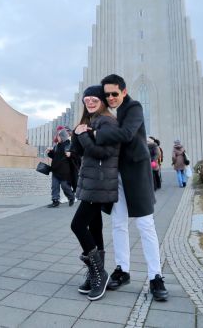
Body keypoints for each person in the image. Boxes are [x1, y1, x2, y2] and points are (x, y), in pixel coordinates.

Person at [93, 74, 168, 301]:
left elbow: (126, 134)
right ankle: (122, 270)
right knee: (118, 223)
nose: (111, 97)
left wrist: (97, 134)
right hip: (116, 175)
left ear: (123, 92)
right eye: (107, 94)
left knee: (145, 224)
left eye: (114, 93)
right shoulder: (106, 111)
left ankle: (155, 276)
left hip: (136, 173)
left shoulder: (134, 107)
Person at [70, 85, 120, 301]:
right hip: (92, 181)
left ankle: (99, 273)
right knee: (94, 226)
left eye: (94, 99)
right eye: (86, 99)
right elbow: (79, 151)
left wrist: (83, 135)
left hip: (99, 182)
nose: (89, 102)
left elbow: (102, 153)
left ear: (102, 101)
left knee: (78, 225)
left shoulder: (107, 122)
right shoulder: (92, 121)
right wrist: (78, 133)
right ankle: (95, 275)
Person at [47, 126, 75, 207]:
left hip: (64, 171)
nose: (57, 137)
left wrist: (71, 154)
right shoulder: (57, 146)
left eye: (59, 136)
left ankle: (71, 197)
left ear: (62, 137)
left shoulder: (69, 145)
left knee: (64, 186)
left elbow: (76, 155)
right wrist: (50, 152)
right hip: (55, 170)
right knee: (54, 186)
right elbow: (54, 156)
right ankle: (55, 201)